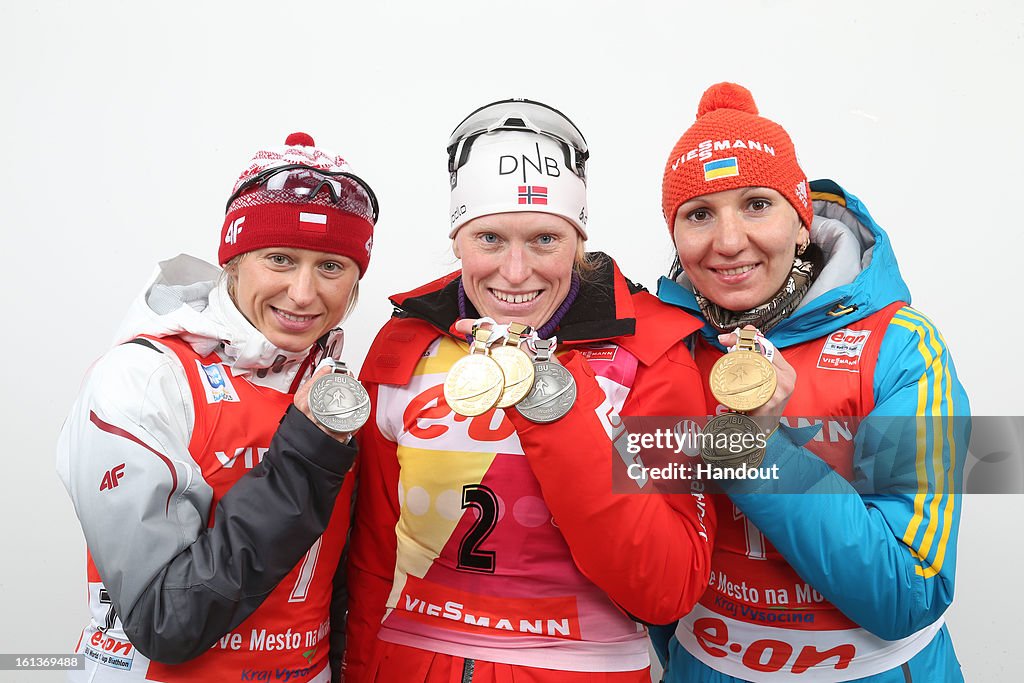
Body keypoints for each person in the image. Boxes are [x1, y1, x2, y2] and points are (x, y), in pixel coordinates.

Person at [343, 99, 716, 681]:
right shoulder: (405, 339)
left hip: (578, 666)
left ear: (578, 242)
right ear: (458, 240)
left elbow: (666, 586)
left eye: (545, 239)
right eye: (489, 239)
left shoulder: (655, 352)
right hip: (410, 663)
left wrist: (557, 409)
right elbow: (373, 561)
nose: (515, 273)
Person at [652, 83, 970, 681]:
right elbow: (653, 575)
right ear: (676, 239)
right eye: (699, 215)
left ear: (802, 224)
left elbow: (908, 592)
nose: (727, 242)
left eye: (756, 204)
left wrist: (753, 450)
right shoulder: (662, 350)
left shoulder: (900, 346)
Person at [56, 132, 378, 682]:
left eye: (331, 266)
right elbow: (165, 619)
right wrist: (308, 453)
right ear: (234, 261)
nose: (303, 293)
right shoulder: (145, 377)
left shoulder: (329, 380)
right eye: (280, 259)